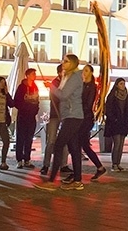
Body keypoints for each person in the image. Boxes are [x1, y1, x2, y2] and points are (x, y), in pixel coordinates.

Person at [36, 54, 84, 191]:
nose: (63, 63)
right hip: (69, 115)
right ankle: (77, 180)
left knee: (58, 145)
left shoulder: (74, 77)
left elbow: (63, 95)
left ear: (73, 64)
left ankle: (51, 181)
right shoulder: (66, 76)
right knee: (74, 148)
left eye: (66, 61)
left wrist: (51, 87)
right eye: (63, 60)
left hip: (73, 115)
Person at [78, 64, 107, 180]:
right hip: (80, 117)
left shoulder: (92, 87)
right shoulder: (82, 85)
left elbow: (88, 104)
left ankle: (77, 173)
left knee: (79, 145)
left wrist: (77, 107)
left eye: (86, 70)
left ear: (91, 72)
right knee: (83, 146)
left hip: (85, 118)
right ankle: (100, 167)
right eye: (83, 70)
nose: (83, 72)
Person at [104, 78, 128, 172]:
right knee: (117, 143)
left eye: (124, 83)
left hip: (123, 123)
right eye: (121, 83)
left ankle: (118, 163)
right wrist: (114, 119)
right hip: (115, 124)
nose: (123, 85)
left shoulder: (126, 96)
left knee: (121, 145)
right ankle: (114, 164)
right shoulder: (112, 96)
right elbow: (108, 109)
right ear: (116, 85)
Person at [14, 68, 40, 169]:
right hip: (23, 116)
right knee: (20, 138)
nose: (35, 75)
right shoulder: (21, 87)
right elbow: (17, 101)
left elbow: (37, 100)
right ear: (28, 75)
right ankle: (19, 160)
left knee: (29, 138)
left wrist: (35, 110)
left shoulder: (35, 87)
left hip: (31, 117)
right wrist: (24, 109)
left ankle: (27, 159)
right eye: (33, 74)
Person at [40, 64, 63, 175]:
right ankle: (46, 165)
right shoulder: (55, 83)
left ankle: (64, 165)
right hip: (55, 114)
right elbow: (57, 97)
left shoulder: (67, 82)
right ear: (59, 72)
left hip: (65, 115)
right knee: (51, 140)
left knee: (65, 141)